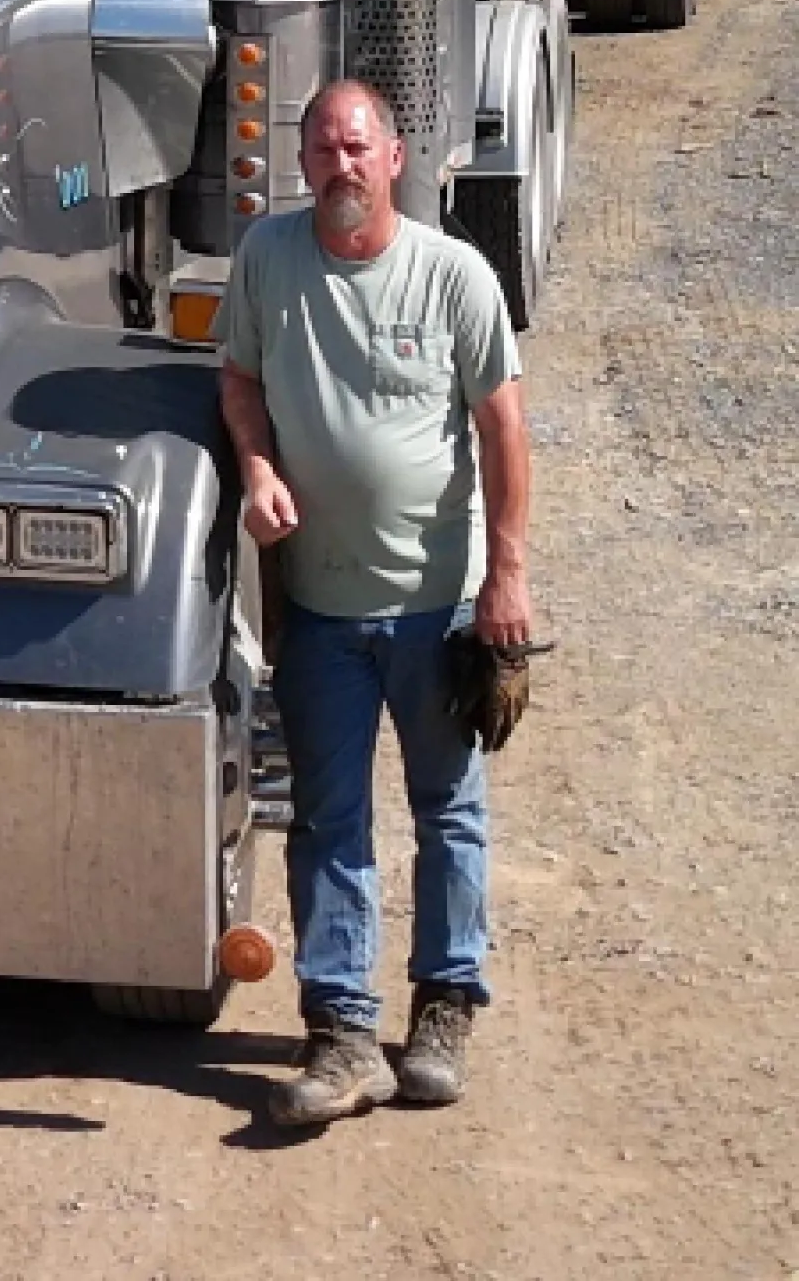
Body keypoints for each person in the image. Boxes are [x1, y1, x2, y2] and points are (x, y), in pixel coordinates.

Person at [218, 78, 532, 1125]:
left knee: (449, 812)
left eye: (357, 147)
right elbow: (238, 380)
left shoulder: (453, 276)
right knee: (329, 817)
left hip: (438, 606)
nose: (339, 165)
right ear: (302, 163)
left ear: (394, 157)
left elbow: (502, 428)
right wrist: (257, 465)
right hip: (319, 608)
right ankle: (344, 1032)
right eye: (321, 149)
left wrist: (509, 575)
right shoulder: (269, 258)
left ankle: (444, 1008)